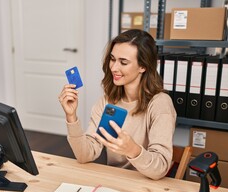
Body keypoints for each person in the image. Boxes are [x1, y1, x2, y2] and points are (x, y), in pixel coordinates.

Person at [58, 29, 176, 180]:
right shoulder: (107, 101)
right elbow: (84, 155)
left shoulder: (160, 104)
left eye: (124, 62)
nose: (113, 68)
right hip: (114, 182)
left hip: (147, 185)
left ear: (143, 66)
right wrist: (71, 117)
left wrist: (133, 150)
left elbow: (160, 168)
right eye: (112, 59)